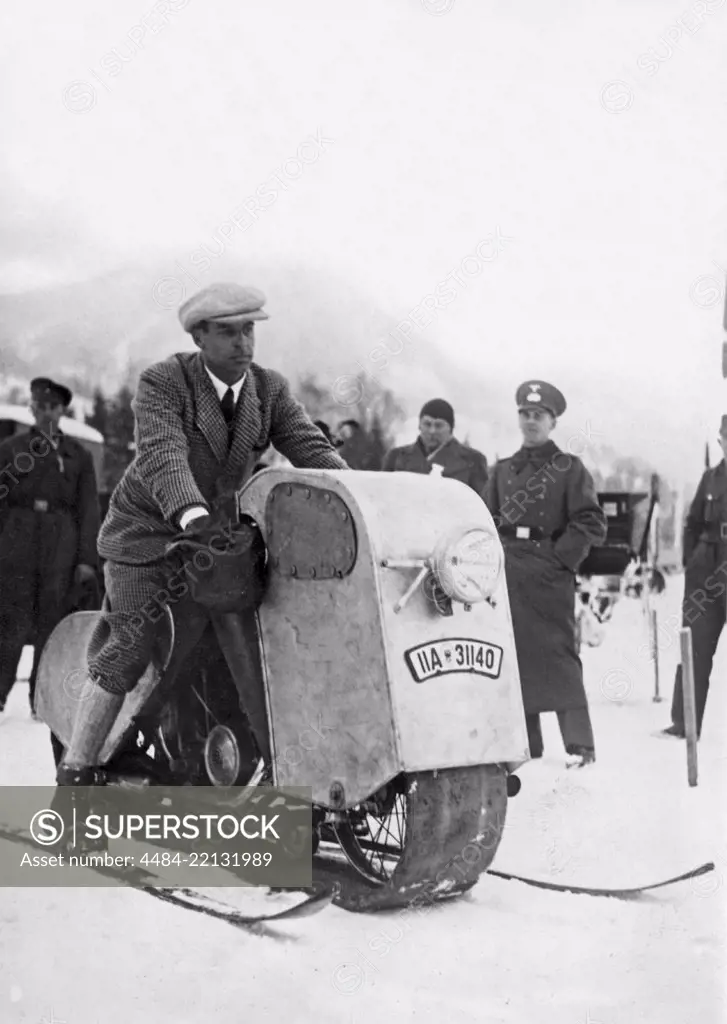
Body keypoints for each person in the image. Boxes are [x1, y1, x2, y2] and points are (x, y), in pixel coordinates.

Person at [55, 282, 348, 788]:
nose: (244, 343)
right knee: (129, 645)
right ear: (199, 338)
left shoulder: (268, 389)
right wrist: (191, 515)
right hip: (146, 538)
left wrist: (356, 494)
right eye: (229, 332)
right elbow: (164, 454)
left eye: (250, 330)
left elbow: (312, 450)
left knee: (273, 637)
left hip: (218, 543)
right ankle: (76, 775)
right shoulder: (164, 383)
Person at [486, 381, 607, 767]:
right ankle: (526, 745)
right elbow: (486, 519)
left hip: (549, 573)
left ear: (553, 422)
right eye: (525, 413)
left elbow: (591, 520)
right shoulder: (502, 470)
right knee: (512, 655)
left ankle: (580, 746)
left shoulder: (569, 469)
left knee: (559, 655)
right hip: (507, 571)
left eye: (539, 415)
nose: (531, 421)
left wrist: (561, 559)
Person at [0, 378, 100, 718]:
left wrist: (87, 560)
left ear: (62, 411)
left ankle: (41, 700)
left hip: (61, 544)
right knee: (10, 619)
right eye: (40, 407)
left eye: (52, 408)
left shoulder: (78, 456)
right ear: (31, 408)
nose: (46, 414)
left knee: (51, 624)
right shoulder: (11, 450)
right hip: (17, 539)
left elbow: (88, 510)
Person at [659, 415, 727, 740]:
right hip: (706, 569)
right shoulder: (710, 478)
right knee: (695, 645)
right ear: (721, 442)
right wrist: (691, 560)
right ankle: (685, 721)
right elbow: (692, 522)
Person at [381, 399, 489, 499]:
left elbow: (481, 506)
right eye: (427, 424)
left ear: (451, 428)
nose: (432, 431)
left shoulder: (473, 461)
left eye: (439, 425)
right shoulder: (396, 457)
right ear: (419, 425)